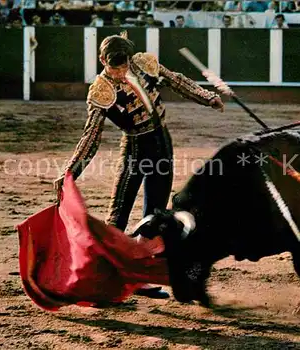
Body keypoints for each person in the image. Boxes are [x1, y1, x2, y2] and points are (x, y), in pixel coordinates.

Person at [54, 32, 224, 298]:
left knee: (155, 215)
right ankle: (102, 277)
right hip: (135, 148)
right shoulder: (101, 89)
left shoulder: (143, 63)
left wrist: (206, 97)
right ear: (102, 60)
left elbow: (176, 80)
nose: (121, 71)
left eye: (124, 64)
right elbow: (91, 136)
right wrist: (71, 171)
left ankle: (142, 278)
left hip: (162, 144)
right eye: (114, 65)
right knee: (118, 214)